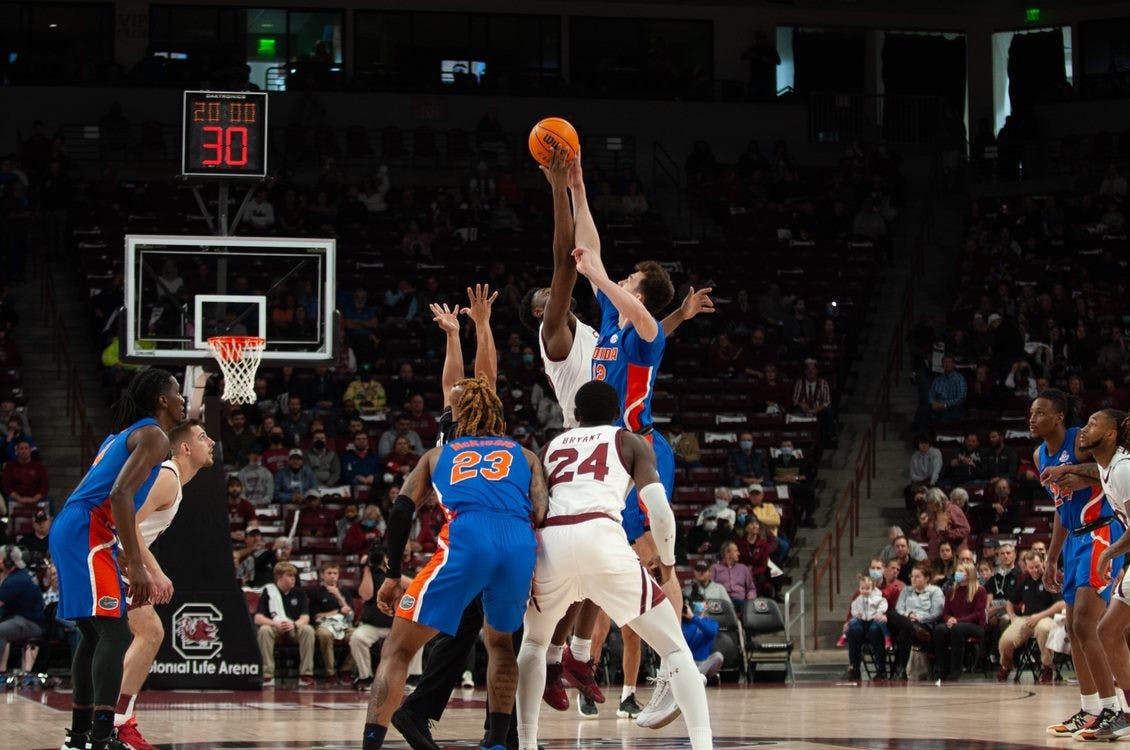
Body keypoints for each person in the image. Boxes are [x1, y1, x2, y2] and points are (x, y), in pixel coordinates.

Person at [520, 150, 710, 724]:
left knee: (654, 564)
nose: (616, 279)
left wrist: (600, 276)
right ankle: (577, 659)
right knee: (602, 558)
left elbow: (645, 313)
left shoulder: (644, 332)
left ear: (642, 292)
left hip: (641, 450)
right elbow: (593, 249)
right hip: (605, 458)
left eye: (629, 280)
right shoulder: (608, 320)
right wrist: (577, 188)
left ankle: (678, 674)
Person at [515, 380, 713, 750]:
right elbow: (660, 511)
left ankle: (526, 743)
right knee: (674, 650)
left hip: (552, 542)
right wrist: (667, 562)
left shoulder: (550, 447)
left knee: (534, 643)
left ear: (575, 415)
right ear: (617, 412)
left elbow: (534, 506)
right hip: (601, 536)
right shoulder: (629, 440)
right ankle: (703, 744)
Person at [360, 374, 546, 750]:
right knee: (501, 645)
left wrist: (393, 575)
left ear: (461, 419)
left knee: (397, 650)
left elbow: (400, 511)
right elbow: (541, 511)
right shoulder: (526, 455)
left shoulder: (438, 455)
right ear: (498, 417)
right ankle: (496, 742)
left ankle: (370, 744)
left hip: (468, 540)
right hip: (518, 545)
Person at [51, 368, 184, 750]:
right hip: (87, 531)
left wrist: (122, 553)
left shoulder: (122, 436)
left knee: (93, 634)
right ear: (161, 399)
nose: (180, 400)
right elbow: (119, 495)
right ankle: (101, 736)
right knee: (114, 632)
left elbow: (104, 495)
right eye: (176, 393)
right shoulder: (154, 436)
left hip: (79, 529)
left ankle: (79, 737)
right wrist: (139, 565)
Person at [113, 420, 214, 750]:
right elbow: (127, 522)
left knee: (138, 636)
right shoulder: (169, 477)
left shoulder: (174, 479)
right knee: (149, 633)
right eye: (202, 437)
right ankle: (117, 722)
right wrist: (154, 571)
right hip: (111, 556)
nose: (211, 442)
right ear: (185, 448)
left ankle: (113, 721)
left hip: (119, 559)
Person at [1031, 390, 1126, 738]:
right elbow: (1060, 507)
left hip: (1101, 532)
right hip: (1073, 538)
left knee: (1087, 623)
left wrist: (1075, 471)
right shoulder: (1040, 454)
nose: (1032, 419)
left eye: (1040, 413)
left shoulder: (1081, 438)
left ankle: (1115, 710)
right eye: (1030, 413)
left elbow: (1107, 468)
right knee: (1072, 627)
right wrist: (1052, 557)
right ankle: (1090, 709)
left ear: (1058, 416)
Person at [1081, 410, 1130, 739]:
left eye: (1093, 424)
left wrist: (1110, 555)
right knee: (1108, 630)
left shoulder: (1124, 469)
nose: (1084, 429)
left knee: (1107, 630)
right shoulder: (1105, 466)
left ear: (1111, 434)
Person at [996, 551, 1064, 684]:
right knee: (1006, 641)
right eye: (1031, 567)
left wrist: (1039, 616)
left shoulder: (1050, 578)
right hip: (1025, 619)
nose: (1035, 570)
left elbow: (1061, 604)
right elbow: (1010, 602)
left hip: (1046, 617)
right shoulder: (1023, 580)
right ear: (1026, 566)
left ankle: (1047, 667)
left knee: (1044, 629)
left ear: (1043, 563)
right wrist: (1012, 616)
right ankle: (1006, 666)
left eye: (1037, 566)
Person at [254, 562, 316, 687]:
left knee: (308, 630)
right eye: (289, 576)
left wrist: (295, 624)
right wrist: (274, 623)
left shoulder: (299, 593)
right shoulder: (269, 592)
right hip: (276, 627)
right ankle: (267, 675)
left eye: (294, 576)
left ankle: (306, 674)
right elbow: (258, 618)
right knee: (264, 630)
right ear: (279, 577)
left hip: (293, 627)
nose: (293, 578)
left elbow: (305, 617)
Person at [930, 561, 987, 682]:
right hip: (955, 623)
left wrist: (957, 621)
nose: (957, 573)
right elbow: (945, 613)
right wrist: (949, 619)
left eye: (961, 571)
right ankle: (942, 669)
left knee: (957, 629)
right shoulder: (951, 591)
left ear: (969, 574)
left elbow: (978, 615)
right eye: (957, 571)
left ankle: (956, 670)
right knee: (940, 629)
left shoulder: (980, 591)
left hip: (975, 626)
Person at [888, 562, 943, 680]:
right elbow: (899, 609)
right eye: (912, 576)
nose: (913, 579)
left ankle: (902, 668)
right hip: (907, 621)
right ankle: (912, 628)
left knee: (904, 633)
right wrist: (908, 615)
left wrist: (918, 617)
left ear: (927, 578)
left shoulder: (935, 591)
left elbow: (936, 613)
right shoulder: (906, 590)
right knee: (891, 613)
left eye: (917, 576)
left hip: (924, 625)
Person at [0, 544, 45, 672]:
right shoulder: (24, 573)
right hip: (22, 619)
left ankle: (1, 671)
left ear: (8, 562)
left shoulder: (16, 580)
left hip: (30, 623)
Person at [310, 563, 357, 685]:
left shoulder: (344, 592)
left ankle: (346, 670)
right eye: (329, 573)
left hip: (344, 624)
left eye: (335, 573)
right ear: (322, 575)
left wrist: (338, 596)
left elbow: (351, 614)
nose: (332, 576)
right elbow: (316, 616)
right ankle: (330, 673)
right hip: (324, 625)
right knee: (325, 635)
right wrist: (338, 611)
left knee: (358, 636)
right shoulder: (316, 592)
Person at [843, 571, 890, 681]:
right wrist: (850, 621)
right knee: (853, 629)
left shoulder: (880, 596)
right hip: (861, 622)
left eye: (867, 588)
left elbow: (885, 608)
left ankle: (881, 669)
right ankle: (854, 668)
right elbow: (853, 610)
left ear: (872, 587)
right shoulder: (858, 597)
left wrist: (881, 614)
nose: (864, 590)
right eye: (862, 588)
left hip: (875, 621)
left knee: (875, 629)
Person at [680, 601, 724, 680]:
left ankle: (695, 678)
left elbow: (711, 632)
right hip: (688, 662)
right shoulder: (682, 624)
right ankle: (696, 678)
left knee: (718, 656)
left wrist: (694, 618)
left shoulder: (711, 622)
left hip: (704, 663)